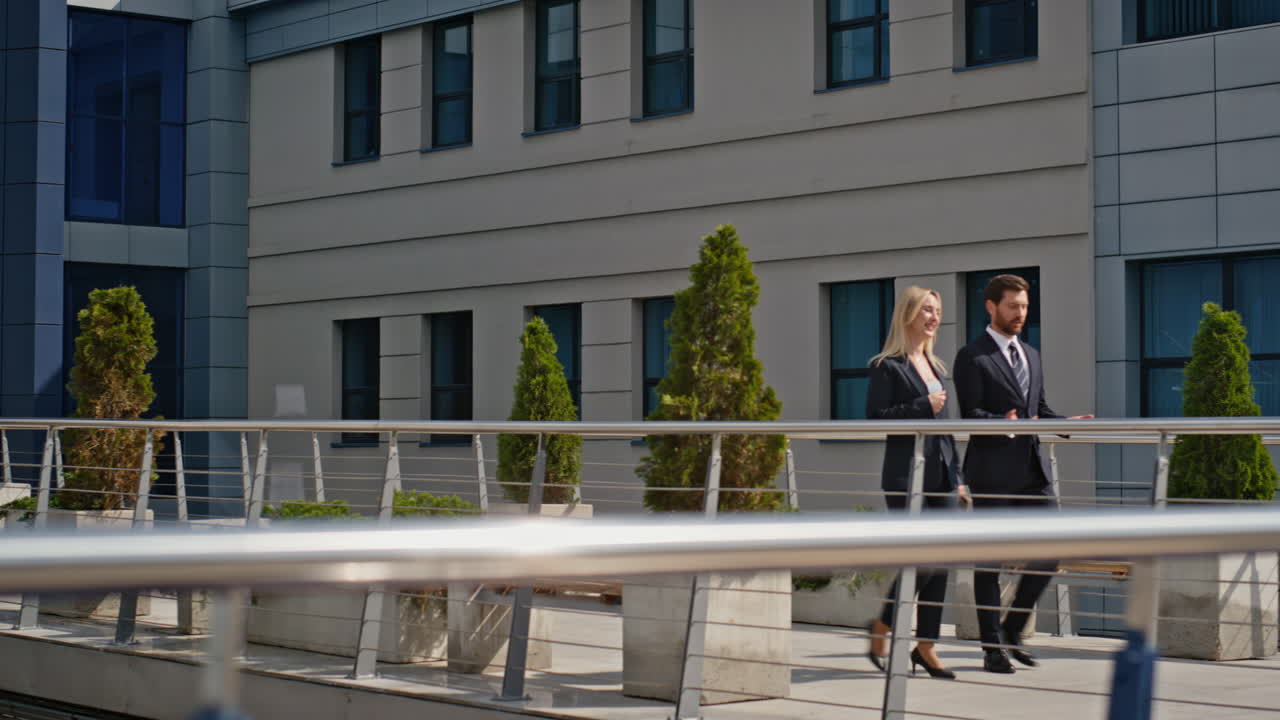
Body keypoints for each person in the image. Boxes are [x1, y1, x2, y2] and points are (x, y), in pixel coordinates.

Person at [952, 274, 1092, 674]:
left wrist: (1069, 424)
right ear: (991, 307)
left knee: (1050, 551)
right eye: (1013, 306)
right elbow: (970, 416)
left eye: (1025, 306)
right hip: (991, 472)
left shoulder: (1032, 354)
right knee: (989, 563)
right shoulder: (972, 356)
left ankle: (1012, 628)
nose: (1020, 314)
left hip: (1032, 471)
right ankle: (991, 648)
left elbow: (1040, 410)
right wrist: (1002, 421)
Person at [865, 286, 968, 680]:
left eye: (937, 310)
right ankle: (884, 624)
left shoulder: (937, 367)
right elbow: (876, 416)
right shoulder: (887, 365)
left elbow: (946, 431)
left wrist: (959, 479)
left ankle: (926, 647)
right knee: (923, 561)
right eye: (926, 309)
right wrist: (922, 406)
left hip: (942, 475)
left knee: (941, 564)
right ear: (908, 313)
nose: (933, 316)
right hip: (906, 476)